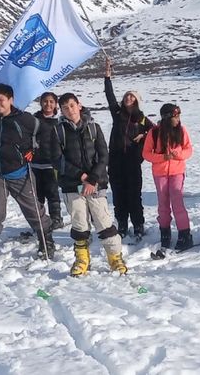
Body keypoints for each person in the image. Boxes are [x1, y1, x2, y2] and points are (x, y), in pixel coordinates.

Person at [0, 84, 54, 277]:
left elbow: (45, 133)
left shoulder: (26, 120)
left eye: (1, 100)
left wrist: (34, 150)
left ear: (11, 100)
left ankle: (46, 239)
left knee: (33, 209)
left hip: (20, 173)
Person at [54, 93, 127, 276]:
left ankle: (115, 257)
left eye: (72, 105)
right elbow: (57, 160)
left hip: (96, 184)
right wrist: (81, 176)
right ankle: (82, 259)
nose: (69, 110)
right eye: (64, 107)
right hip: (72, 186)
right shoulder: (58, 131)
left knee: (104, 222)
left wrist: (93, 178)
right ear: (61, 110)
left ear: (79, 105)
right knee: (79, 224)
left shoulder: (94, 127)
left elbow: (104, 155)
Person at [104, 59, 154, 238]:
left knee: (134, 195)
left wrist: (144, 136)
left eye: (131, 96)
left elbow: (156, 131)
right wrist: (107, 77)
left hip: (133, 162)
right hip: (116, 161)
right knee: (118, 195)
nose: (128, 98)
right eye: (126, 96)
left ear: (136, 101)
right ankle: (122, 224)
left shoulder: (141, 119)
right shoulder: (117, 114)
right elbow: (109, 96)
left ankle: (138, 224)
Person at [142, 103, 194, 251]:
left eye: (178, 116)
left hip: (177, 171)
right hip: (160, 173)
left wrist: (179, 155)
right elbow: (146, 153)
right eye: (175, 116)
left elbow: (188, 150)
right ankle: (165, 233)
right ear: (167, 117)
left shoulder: (182, 130)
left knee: (177, 203)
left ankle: (185, 234)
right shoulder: (154, 132)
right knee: (163, 204)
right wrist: (162, 157)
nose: (178, 119)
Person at [32, 91, 64, 230]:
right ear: (40, 103)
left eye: (51, 101)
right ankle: (40, 218)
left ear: (56, 103)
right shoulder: (34, 119)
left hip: (52, 164)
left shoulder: (60, 120)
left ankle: (56, 217)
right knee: (37, 194)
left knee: (52, 192)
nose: (48, 104)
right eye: (45, 101)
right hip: (35, 162)